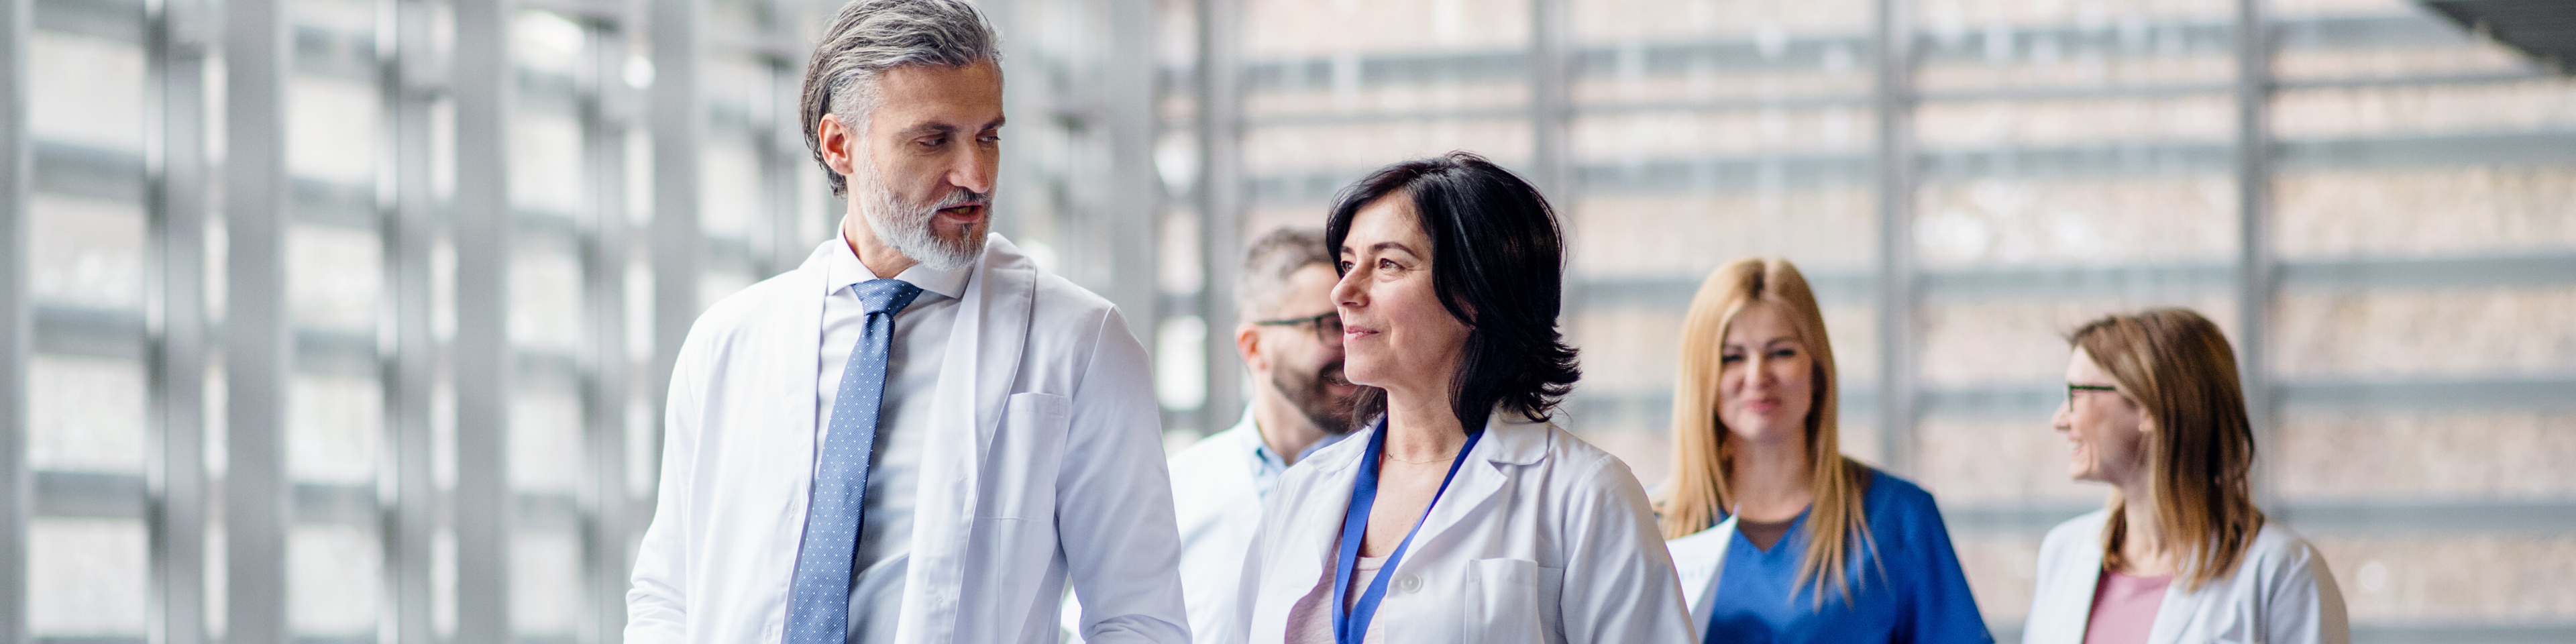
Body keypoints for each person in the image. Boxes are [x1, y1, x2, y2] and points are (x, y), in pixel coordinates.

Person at [624, 1, 1188, 643]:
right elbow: (668, 593)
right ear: (841, 145)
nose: (975, 175)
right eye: (933, 139)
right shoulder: (727, 342)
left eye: (988, 136)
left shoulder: (1080, 344)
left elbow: (1140, 619)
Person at [1224, 152, 1695, 644]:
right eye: (1347, 263)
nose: (1343, 291)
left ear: (1478, 292)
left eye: (1387, 264)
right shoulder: (1302, 491)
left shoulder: (1583, 493)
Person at [1658, 258, 1990, 644]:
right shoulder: (1649, 527)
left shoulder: (1899, 520)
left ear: (1817, 371)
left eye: (1781, 352)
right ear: (1702, 379)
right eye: (1731, 358)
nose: (1757, 377)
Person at [2021, 309, 2348, 644]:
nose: (2060, 420)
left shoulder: (2283, 572)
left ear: (2150, 404)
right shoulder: (2063, 552)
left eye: (2076, 394)